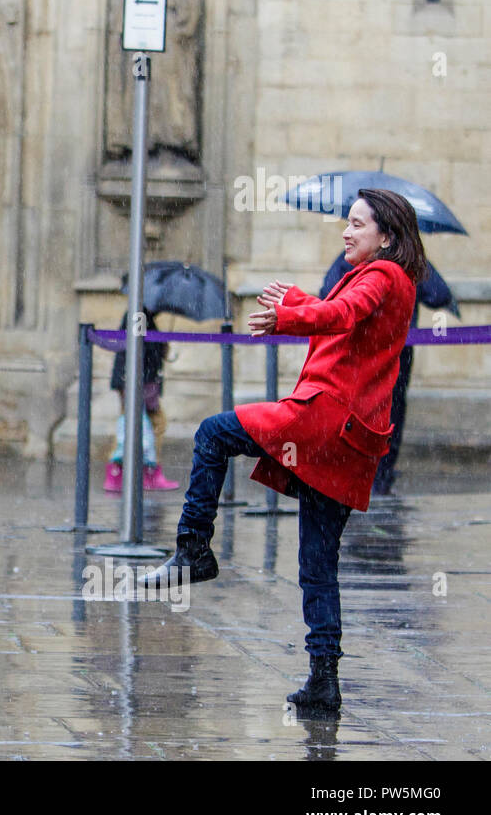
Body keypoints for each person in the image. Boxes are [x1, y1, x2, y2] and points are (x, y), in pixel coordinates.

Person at [140, 189, 427, 712]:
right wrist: (294, 300)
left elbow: (340, 315)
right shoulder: (390, 280)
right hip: (352, 443)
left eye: (358, 224)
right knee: (318, 565)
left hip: (323, 420)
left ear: (386, 236)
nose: (346, 230)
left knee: (212, 434)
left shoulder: (383, 276)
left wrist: (287, 318)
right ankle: (324, 681)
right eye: (347, 222)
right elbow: (339, 315)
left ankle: (194, 550)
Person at [320, 251, 456, 495]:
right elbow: (438, 295)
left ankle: (359, 476)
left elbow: (327, 294)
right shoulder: (411, 260)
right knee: (390, 412)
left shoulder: (349, 259)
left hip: (364, 354)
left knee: (361, 410)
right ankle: (379, 477)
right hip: (394, 355)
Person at [105, 308, 180, 492]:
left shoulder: (143, 314)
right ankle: (146, 473)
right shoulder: (138, 313)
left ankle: (121, 474)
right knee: (148, 424)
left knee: (132, 424)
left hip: (139, 381)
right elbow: (136, 350)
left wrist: (162, 345)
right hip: (138, 382)